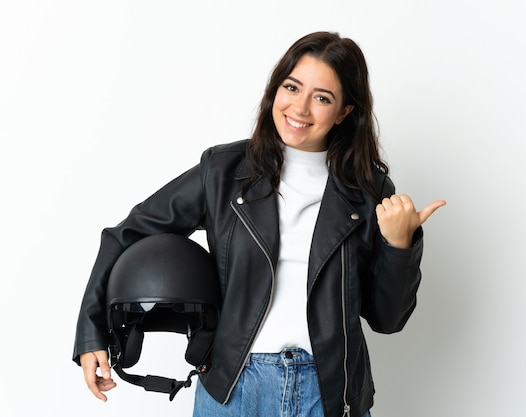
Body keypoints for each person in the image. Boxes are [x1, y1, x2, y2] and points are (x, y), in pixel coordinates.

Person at [73, 31, 446, 417]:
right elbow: (125, 236)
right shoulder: (222, 172)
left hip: (331, 393)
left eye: (322, 98)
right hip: (234, 389)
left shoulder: (370, 190)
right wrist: (91, 333)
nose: (300, 108)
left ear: (345, 111)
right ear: (275, 89)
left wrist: (400, 246)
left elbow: (388, 320)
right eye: (292, 87)